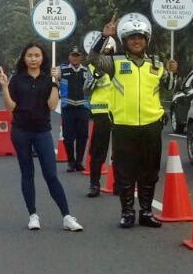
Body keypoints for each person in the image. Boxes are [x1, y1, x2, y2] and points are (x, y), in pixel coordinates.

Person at [88, 16, 177, 228]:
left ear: (147, 40)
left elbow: (170, 88)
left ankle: (146, 212)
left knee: (150, 171)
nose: (136, 41)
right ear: (124, 40)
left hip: (151, 125)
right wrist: (103, 37)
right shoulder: (114, 62)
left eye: (140, 37)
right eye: (132, 38)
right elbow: (92, 58)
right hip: (123, 125)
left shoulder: (156, 64)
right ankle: (127, 213)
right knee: (125, 172)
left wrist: (173, 72)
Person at [0, 42, 83, 232]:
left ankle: (67, 216)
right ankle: (33, 215)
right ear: (24, 58)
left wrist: (55, 82)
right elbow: (10, 107)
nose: (33, 59)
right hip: (21, 131)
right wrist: (4, 86)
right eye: (29, 55)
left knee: (51, 174)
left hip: (42, 131)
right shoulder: (17, 79)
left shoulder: (48, 78)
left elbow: (51, 106)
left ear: (43, 58)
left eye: (37, 55)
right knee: (27, 173)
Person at [83, 38, 116, 197]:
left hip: (120, 112)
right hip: (102, 113)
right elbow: (86, 89)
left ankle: (119, 183)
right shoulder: (92, 65)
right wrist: (95, 77)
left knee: (122, 150)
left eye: (108, 50)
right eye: (104, 51)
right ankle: (94, 184)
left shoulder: (123, 64)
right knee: (98, 150)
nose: (106, 53)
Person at [58, 45, 92, 172]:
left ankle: (79, 162)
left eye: (77, 56)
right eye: (73, 55)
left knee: (83, 136)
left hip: (83, 108)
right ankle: (71, 161)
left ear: (81, 57)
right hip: (68, 108)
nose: (75, 58)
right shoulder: (61, 70)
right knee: (68, 137)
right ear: (69, 57)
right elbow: (53, 82)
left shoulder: (87, 71)